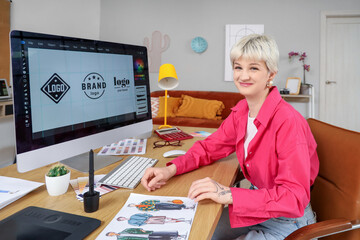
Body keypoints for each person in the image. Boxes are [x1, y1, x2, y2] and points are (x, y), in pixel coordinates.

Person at [141, 34, 319, 240]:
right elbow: (209, 148)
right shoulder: (241, 111)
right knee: (194, 230)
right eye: (238, 67)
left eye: (253, 68)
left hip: (289, 222)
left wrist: (227, 193)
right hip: (256, 209)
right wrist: (170, 169)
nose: (243, 76)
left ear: (271, 73)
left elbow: (294, 197)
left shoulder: (289, 121)